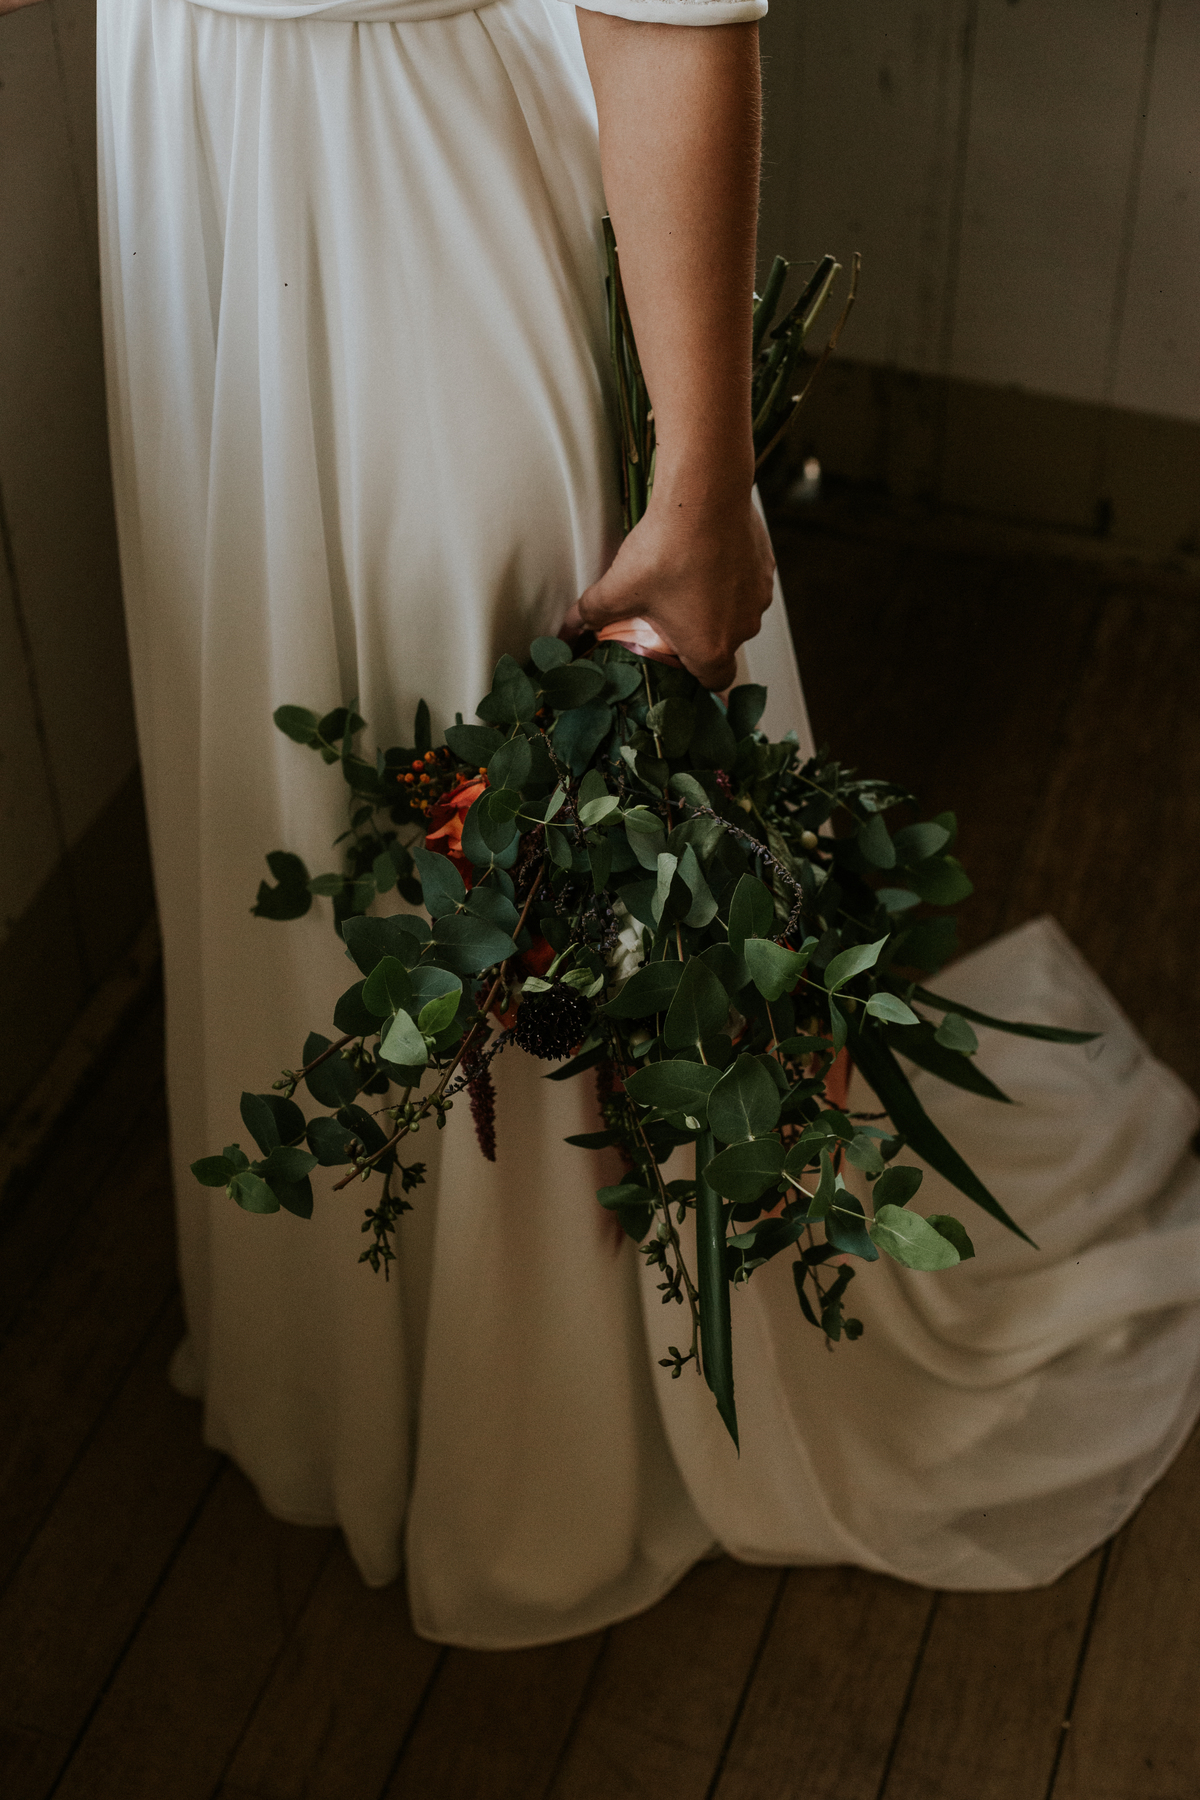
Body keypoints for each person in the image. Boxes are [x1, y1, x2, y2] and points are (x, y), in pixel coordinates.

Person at [7, 0, 1200, 1650]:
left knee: (508, 855)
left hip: (414, 213)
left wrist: (701, 479)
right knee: (301, 819)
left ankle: (547, 1434)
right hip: (191, 175)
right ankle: (349, 1379)